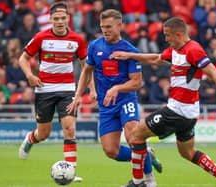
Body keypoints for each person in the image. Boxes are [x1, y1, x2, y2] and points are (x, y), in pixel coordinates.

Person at [110, 17, 216, 187]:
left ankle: (139, 183)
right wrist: (131, 55)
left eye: (168, 36)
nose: (166, 39)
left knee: (136, 135)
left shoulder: (193, 50)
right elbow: (155, 59)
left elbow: (213, 72)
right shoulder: (174, 50)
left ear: (179, 34)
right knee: (188, 153)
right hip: (189, 114)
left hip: (177, 110)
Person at [66, 9, 162, 187]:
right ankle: (145, 155)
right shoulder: (95, 46)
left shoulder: (129, 51)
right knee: (111, 151)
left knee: (134, 137)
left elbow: (137, 82)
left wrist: (117, 88)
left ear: (120, 26)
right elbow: (87, 71)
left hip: (126, 101)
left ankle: (148, 180)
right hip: (106, 105)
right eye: (103, 27)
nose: (105, 30)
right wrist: (78, 95)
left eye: (109, 26)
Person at [18, 1, 95, 182]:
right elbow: (23, 58)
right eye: (56, 18)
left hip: (68, 90)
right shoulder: (41, 37)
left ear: (68, 19)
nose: (60, 22)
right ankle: (30, 139)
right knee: (43, 134)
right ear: (50, 19)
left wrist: (91, 89)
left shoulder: (77, 40)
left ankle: (71, 172)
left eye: (63, 18)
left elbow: (87, 67)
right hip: (44, 90)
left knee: (69, 130)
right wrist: (29, 75)